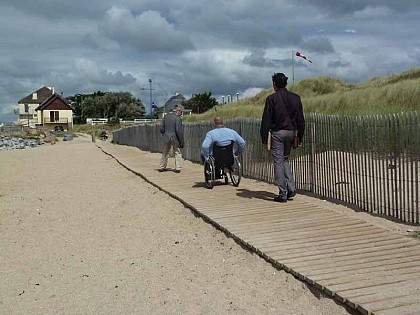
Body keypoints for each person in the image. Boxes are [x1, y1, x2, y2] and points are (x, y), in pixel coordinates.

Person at [260, 73, 305, 203]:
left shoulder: (271, 99)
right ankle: (291, 188)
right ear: (286, 84)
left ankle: (283, 193)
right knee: (285, 159)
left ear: (274, 84)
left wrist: (264, 139)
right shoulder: (296, 98)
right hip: (292, 132)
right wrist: (300, 137)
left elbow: (266, 120)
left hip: (278, 133)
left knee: (278, 162)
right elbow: (301, 120)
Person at [159, 105, 185, 173]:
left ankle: (162, 166)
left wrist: (164, 134)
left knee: (165, 152)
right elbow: (178, 131)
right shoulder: (178, 118)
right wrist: (181, 142)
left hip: (166, 137)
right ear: (178, 111)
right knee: (177, 152)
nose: (181, 114)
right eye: (181, 112)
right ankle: (177, 168)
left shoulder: (166, 116)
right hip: (174, 137)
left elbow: (161, 128)